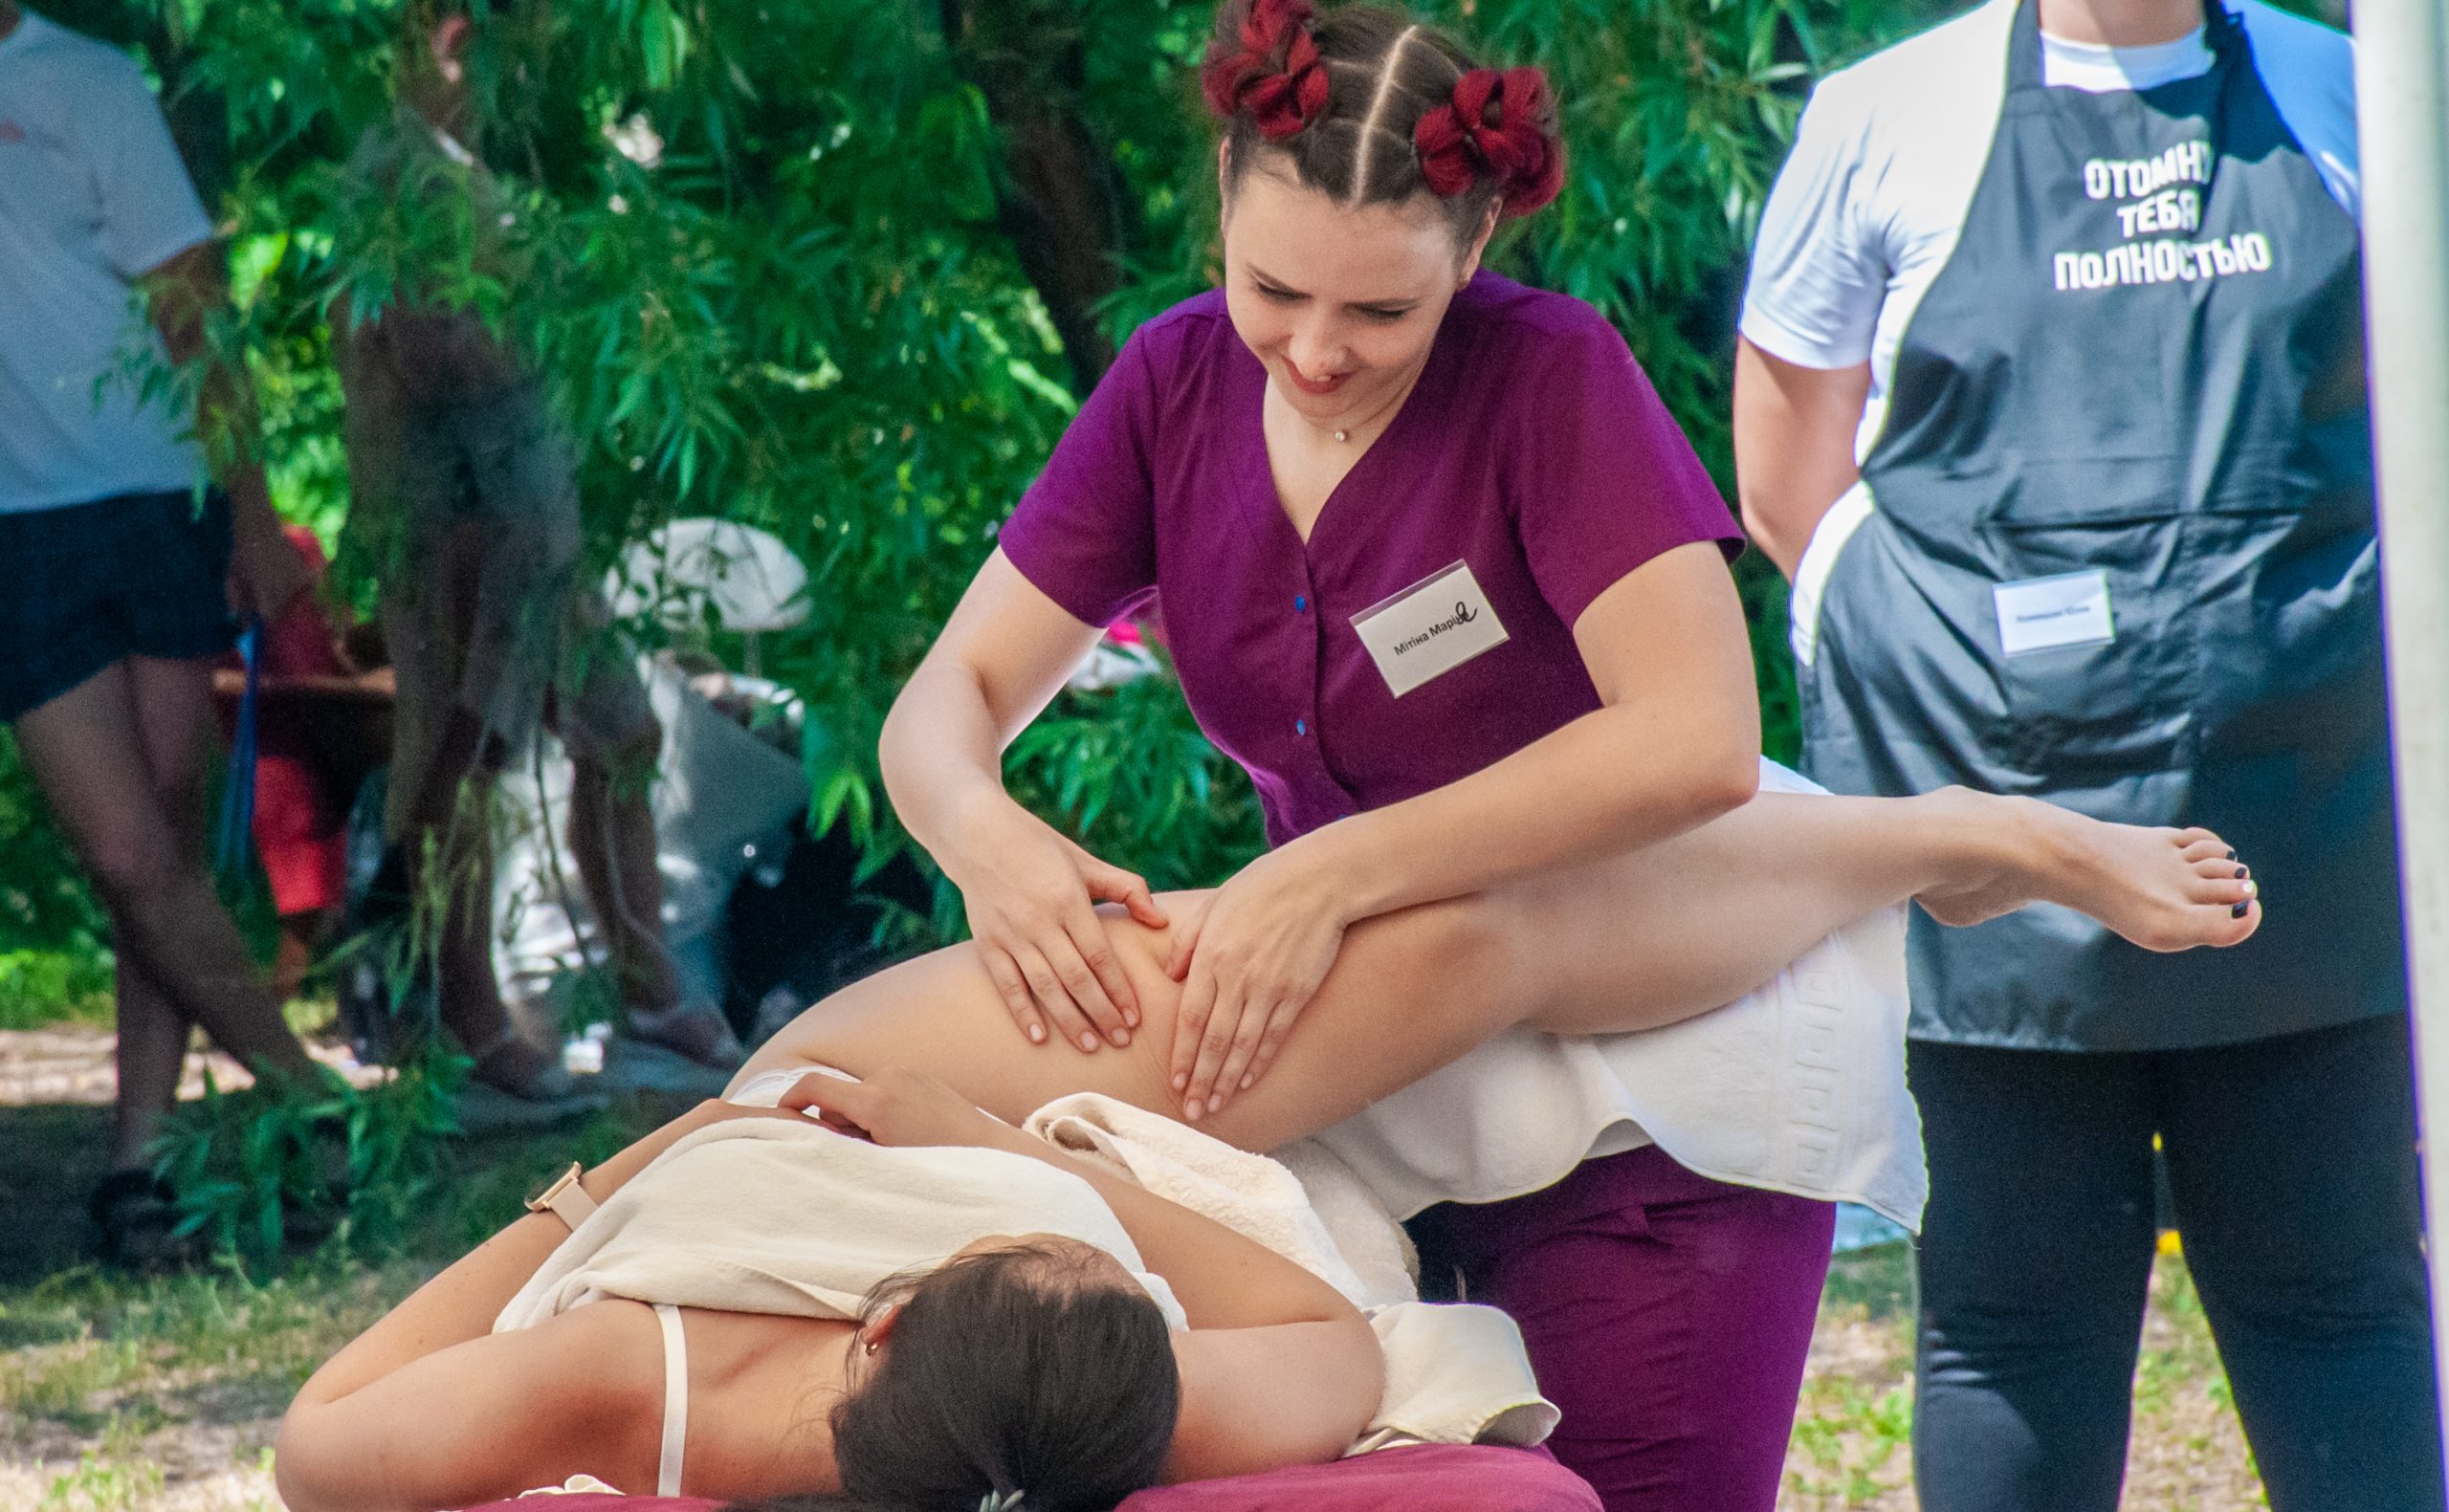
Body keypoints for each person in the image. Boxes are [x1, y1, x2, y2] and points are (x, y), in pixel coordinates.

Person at [863, 2, 2259, 1505]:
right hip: (1380, 1022)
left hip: (1659, 1053)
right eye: (1274, 289)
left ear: (1472, 257)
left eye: (1381, 315)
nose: (1317, 354)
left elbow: (1700, 741)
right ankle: (1943, 838)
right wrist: (983, 837)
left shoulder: (1550, 375)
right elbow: (950, 699)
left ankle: (1974, 837)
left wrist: (1328, 872)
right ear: (1219, 190)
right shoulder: (1175, 382)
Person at [1731, 0, 2438, 1504]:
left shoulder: (2358, 96)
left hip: (2310, 846)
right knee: (2007, 1329)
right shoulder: (1881, 115)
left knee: (2340, 1308)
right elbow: (1790, 485)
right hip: (1996, 880)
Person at [275, 1067, 1386, 1512]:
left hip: (770, 1130)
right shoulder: (1110, 1398)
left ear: (884, 1316)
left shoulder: (609, 1372)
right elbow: (1335, 1336)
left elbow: (312, 1446)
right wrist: (1019, 1155)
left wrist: (635, 1165)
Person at [331, 0, 740, 1096]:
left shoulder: (478, 163)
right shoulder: (402, 173)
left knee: (618, 733)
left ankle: (650, 993)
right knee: (464, 757)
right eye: (533, 43)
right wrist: (580, 306)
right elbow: (444, 350)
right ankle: (461, 1013)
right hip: (457, 525)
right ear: (460, 35)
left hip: (534, 522)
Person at [0, 0, 335, 1259]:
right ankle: (311, 1094)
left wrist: (253, 518)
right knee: (126, 853)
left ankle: (142, 1155)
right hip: (18, 529)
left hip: (155, 499)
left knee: (170, 847)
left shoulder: (84, 84)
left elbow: (194, 311)